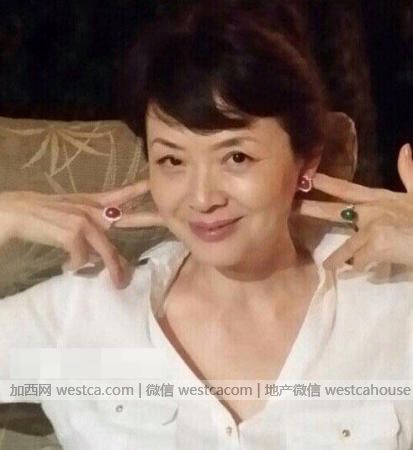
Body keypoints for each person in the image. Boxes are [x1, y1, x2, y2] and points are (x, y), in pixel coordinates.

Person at [0, 6, 412, 450]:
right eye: (172, 160)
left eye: (236, 157)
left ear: (305, 162)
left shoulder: (390, 300)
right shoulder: (83, 314)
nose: (201, 197)